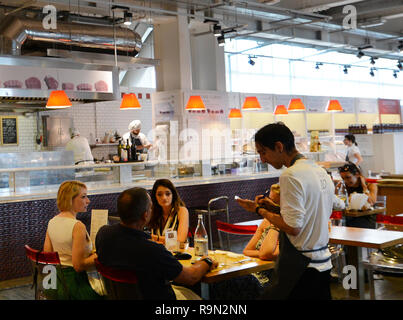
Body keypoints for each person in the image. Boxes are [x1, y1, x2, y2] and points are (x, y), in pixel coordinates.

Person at [236, 122, 334, 300]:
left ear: (279, 146)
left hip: (301, 268)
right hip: (323, 263)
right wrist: (273, 208)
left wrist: (259, 210)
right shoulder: (319, 170)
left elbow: (293, 227)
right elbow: (312, 210)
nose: (263, 159)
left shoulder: (290, 175)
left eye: (263, 152)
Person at [95, 187, 218, 300]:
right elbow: (191, 277)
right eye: (151, 208)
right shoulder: (152, 250)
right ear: (145, 215)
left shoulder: (103, 234)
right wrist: (206, 261)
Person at [210, 184, 280, 300]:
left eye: (272, 201)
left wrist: (276, 219)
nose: (265, 202)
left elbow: (265, 253)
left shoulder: (287, 226)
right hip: (253, 272)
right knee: (219, 282)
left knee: (227, 284)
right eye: (267, 198)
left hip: (268, 281)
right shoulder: (266, 221)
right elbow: (247, 251)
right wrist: (264, 253)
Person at [43, 180, 103, 300]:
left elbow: (47, 255)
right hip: (75, 287)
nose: (88, 201)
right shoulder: (77, 226)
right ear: (70, 199)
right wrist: (100, 255)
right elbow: (78, 265)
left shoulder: (52, 221)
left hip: (54, 285)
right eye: (83, 197)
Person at [337, 162, 378, 229]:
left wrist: (364, 187)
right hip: (349, 219)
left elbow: (372, 201)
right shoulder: (344, 187)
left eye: (348, 177)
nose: (345, 181)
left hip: (367, 219)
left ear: (357, 174)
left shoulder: (370, 185)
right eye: (343, 178)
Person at [148, 179, 189, 245]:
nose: (164, 197)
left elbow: (180, 240)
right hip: (157, 252)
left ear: (173, 195)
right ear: (155, 197)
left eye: (168, 194)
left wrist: (155, 238)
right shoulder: (152, 212)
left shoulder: (181, 211)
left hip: (177, 253)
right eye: (159, 194)